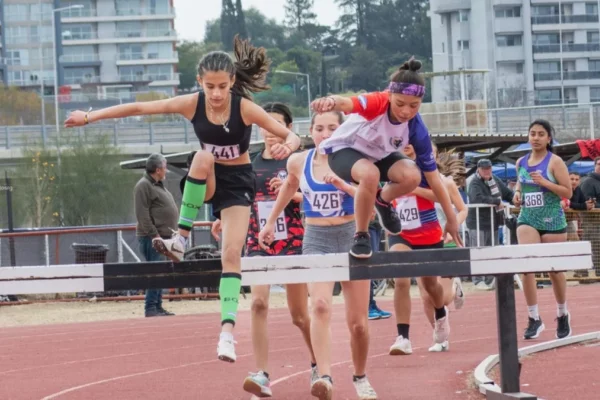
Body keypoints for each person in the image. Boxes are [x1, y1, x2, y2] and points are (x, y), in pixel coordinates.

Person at [64, 35, 302, 363]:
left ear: (232, 82)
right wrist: (89, 117)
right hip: (208, 179)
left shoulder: (244, 108)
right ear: (200, 83)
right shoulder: (192, 104)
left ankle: (227, 334)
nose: (216, 94)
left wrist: (288, 146)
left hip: (237, 186)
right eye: (210, 87)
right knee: (202, 158)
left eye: (222, 86)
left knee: (231, 254)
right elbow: (139, 107)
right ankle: (181, 238)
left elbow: (291, 133)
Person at [259, 111, 377, 400]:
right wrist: (271, 222)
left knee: (358, 323)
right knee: (320, 306)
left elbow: (371, 207)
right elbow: (288, 186)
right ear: (310, 131)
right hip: (317, 239)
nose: (325, 133)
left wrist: (342, 185)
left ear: (342, 131)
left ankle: (360, 376)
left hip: (351, 236)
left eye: (332, 128)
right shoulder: (299, 161)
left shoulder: (355, 161)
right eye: (320, 128)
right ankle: (324, 376)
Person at [211, 102, 316, 398]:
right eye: (264, 126)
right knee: (258, 304)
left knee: (299, 315)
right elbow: (239, 198)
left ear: (288, 128)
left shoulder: (297, 162)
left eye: (275, 125)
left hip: (293, 241)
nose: (269, 132)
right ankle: (262, 374)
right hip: (259, 242)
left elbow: (315, 199)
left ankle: (317, 362)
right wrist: (222, 218)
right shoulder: (250, 163)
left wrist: (291, 195)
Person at [310, 57, 461, 259]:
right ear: (390, 96)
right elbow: (348, 102)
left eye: (414, 106)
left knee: (412, 176)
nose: (406, 111)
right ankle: (361, 235)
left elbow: (434, 178)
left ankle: (382, 201)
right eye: (400, 104)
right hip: (343, 151)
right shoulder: (378, 102)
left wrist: (451, 219)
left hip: (378, 155)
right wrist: (330, 102)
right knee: (370, 174)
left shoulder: (417, 129)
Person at [387, 144, 465, 356]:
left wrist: (411, 187)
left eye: (412, 143)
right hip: (401, 233)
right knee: (401, 279)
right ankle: (403, 337)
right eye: (402, 143)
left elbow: (441, 197)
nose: (407, 146)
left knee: (431, 287)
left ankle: (440, 312)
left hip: (429, 234)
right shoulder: (390, 166)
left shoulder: (428, 170)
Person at [512, 119, 573, 340]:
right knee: (526, 267)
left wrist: (546, 183)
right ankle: (534, 317)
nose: (535, 138)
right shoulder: (521, 162)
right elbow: (520, 184)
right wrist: (517, 194)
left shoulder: (555, 162)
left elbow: (568, 193)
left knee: (554, 270)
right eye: (532, 134)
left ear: (549, 138)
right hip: (528, 217)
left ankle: (562, 313)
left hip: (552, 219)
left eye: (540, 134)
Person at [133, 153, 177, 317]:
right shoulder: (143, 186)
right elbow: (142, 214)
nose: (166, 170)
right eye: (165, 167)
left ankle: (157, 306)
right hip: (153, 238)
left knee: (161, 272)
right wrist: (155, 235)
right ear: (158, 170)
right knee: (155, 271)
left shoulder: (157, 185)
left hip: (163, 238)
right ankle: (151, 307)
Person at [466, 158, 514, 290]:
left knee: (491, 251)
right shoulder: (473, 181)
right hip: (477, 223)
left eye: (489, 168)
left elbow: (507, 193)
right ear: (478, 169)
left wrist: (516, 199)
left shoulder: (495, 179)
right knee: (477, 251)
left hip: (493, 222)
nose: (487, 171)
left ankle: (490, 278)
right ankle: (478, 279)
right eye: (484, 169)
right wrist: (497, 201)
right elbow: (476, 198)